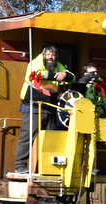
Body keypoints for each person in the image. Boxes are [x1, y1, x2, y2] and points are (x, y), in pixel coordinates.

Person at [14, 44, 74, 174]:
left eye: (53, 55)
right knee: (28, 135)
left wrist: (65, 74)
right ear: (43, 55)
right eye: (48, 55)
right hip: (32, 105)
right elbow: (36, 75)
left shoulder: (58, 66)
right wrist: (58, 77)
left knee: (51, 137)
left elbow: (71, 77)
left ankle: (48, 167)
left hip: (50, 107)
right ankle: (20, 166)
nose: (50, 58)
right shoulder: (35, 63)